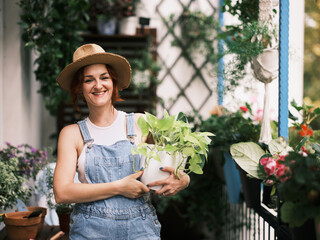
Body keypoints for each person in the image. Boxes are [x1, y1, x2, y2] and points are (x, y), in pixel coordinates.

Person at [53, 43, 190, 239]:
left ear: (114, 82)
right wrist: (118, 187)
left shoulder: (141, 123)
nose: (98, 85)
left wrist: (184, 179)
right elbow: (62, 192)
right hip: (90, 230)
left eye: (104, 77)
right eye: (88, 80)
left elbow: (166, 168)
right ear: (79, 88)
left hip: (140, 228)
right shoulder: (72, 134)